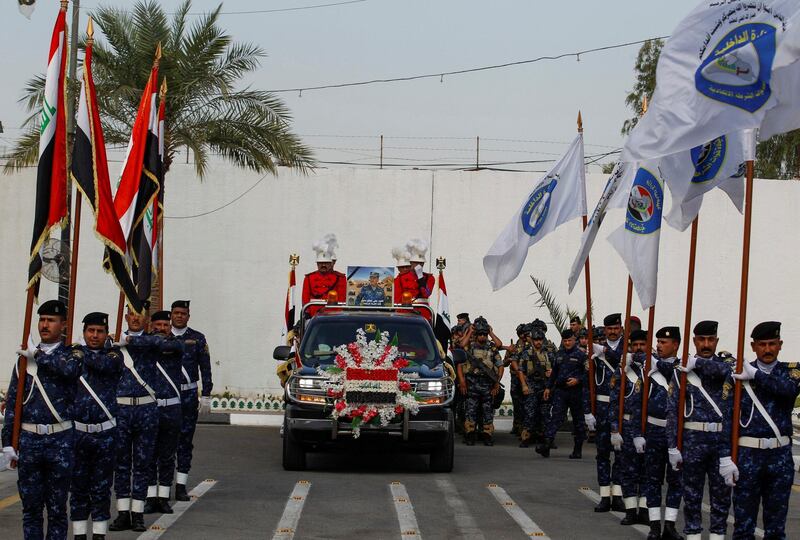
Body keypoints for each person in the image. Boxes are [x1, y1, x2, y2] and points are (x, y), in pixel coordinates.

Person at [2, 300, 82, 540]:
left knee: (57, 509)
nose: (45, 325)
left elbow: (68, 370)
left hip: (60, 440)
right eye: (42, 320)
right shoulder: (23, 361)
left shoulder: (72, 354)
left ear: (64, 325)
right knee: (31, 509)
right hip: (30, 441)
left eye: (51, 320)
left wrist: (36, 354)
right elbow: (15, 402)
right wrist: (8, 442)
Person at [724, 321, 799, 540]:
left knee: (776, 527)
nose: (767, 349)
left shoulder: (791, 372)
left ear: (780, 345)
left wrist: (756, 375)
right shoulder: (738, 376)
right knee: (743, 526)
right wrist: (725, 457)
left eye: (772, 344)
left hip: (779, 457)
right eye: (762, 344)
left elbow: (787, 390)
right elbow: (727, 419)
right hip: (747, 457)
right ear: (753, 346)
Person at [110, 303, 181, 533]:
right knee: (121, 465)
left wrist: (130, 341)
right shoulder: (113, 343)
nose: (135, 318)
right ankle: (122, 512)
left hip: (146, 410)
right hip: (121, 410)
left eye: (140, 315)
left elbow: (166, 343)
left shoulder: (152, 340)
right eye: (131, 314)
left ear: (146, 318)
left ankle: (138, 512)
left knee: (142, 464)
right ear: (126, 316)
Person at [667, 320, 733, 540]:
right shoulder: (681, 370)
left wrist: (697, 364)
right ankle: (693, 535)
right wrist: (672, 446)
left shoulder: (726, 364)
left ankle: (717, 536)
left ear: (716, 341)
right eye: (701, 340)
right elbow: (673, 411)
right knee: (692, 495)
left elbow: (727, 371)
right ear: (694, 341)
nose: (706, 344)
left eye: (711, 339)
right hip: (693, 440)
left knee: (721, 497)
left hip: (721, 441)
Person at [70, 312, 123, 540]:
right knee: (78, 489)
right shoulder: (72, 356)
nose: (94, 335)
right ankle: (80, 535)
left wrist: (77, 353)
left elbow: (101, 365)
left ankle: (99, 535)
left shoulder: (114, 355)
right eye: (90, 331)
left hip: (105, 434)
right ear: (84, 333)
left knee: (101, 490)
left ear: (106, 334)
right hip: (78, 433)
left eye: (99, 331)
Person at [641, 327, 683, 540]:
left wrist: (656, 363)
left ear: (675, 345)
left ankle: (670, 525)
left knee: (676, 480)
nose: (658, 345)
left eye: (664, 342)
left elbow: (672, 370)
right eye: (657, 341)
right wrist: (640, 433)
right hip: (654, 429)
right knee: (653, 479)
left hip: (675, 433)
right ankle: (654, 525)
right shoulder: (649, 366)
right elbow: (639, 402)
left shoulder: (684, 367)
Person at [170, 300, 213, 502]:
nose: (179, 316)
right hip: (167, 396)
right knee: (164, 442)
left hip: (188, 396)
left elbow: (205, 366)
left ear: (188, 316)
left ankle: (180, 485)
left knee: (185, 441)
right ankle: (161, 487)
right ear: (171, 315)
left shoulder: (197, 338)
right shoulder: (162, 337)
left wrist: (206, 394)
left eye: (183, 313)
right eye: (176, 313)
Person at [143, 311, 184, 515]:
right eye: (157, 325)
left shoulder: (176, 344)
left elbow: (166, 345)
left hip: (171, 407)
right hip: (151, 405)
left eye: (165, 325)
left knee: (167, 455)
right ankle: (151, 497)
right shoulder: (146, 343)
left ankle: (164, 496)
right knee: (150, 453)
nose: (161, 329)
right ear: (151, 325)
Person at [609, 329, 648, 526]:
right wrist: (614, 430)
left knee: (649, 472)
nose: (639, 349)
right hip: (627, 426)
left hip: (649, 429)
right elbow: (614, 402)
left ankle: (646, 510)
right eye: (635, 345)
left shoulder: (655, 370)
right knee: (628, 471)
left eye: (643, 345)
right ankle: (631, 510)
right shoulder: (623, 370)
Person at [588, 313, 625, 512]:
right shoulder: (593, 352)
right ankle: (604, 495)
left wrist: (602, 350)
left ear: (621, 328)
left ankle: (617, 494)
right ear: (604, 329)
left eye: (616, 328)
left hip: (622, 408)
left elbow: (620, 358)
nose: (612, 331)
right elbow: (588, 383)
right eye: (609, 328)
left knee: (620, 454)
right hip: (602, 408)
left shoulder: (626, 348)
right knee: (602, 454)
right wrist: (588, 412)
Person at [536, 329, 588, 459]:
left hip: (576, 392)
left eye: (569, 340)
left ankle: (577, 449)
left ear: (574, 340)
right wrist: (548, 387)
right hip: (561, 391)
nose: (567, 343)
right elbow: (554, 373)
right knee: (556, 417)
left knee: (578, 421)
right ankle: (546, 445)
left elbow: (588, 373)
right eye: (565, 341)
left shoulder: (581, 355)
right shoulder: (559, 354)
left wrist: (578, 380)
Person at [457, 318, 503, 446]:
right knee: (471, 409)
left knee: (487, 410)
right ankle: (470, 434)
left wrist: (496, 383)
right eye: (480, 334)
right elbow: (460, 357)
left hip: (488, 385)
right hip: (472, 383)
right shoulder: (469, 347)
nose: (482, 336)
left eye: (485, 334)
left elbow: (500, 366)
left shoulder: (492, 348)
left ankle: (487, 434)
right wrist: (462, 382)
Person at [519, 328, 553, 447]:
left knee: (545, 413)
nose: (538, 342)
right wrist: (524, 385)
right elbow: (521, 371)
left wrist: (551, 372)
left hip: (545, 387)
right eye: (536, 339)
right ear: (532, 340)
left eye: (540, 339)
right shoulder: (526, 353)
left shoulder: (548, 353)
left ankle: (547, 438)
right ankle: (526, 437)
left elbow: (555, 368)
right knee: (530, 412)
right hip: (531, 385)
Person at [302, 234, 346, 317]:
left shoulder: (340, 278)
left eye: (326, 263)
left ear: (330, 264)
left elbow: (342, 299)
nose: (323, 265)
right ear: (317, 264)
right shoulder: (309, 278)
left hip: (333, 313)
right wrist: (307, 312)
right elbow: (305, 298)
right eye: (321, 263)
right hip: (313, 313)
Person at [504, 324, 531, 436]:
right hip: (515, 378)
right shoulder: (513, 347)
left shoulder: (531, 346)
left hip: (527, 377)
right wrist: (510, 358)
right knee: (517, 403)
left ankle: (526, 427)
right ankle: (517, 426)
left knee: (527, 402)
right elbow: (504, 363)